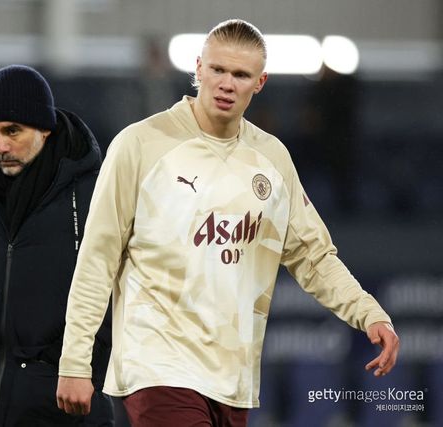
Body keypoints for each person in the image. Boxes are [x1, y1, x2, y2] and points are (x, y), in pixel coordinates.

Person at [56, 19, 400, 427]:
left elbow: (313, 255)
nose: (227, 84)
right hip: (157, 366)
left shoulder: (272, 158)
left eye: (241, 75)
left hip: (232, 379)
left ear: (260, 82)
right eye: (218, 70)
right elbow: (98, 257)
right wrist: (75, 361)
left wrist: (368, 312)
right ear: (199, 68)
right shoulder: (140, 145)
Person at [0, 65, 113, 426]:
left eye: (12, 131)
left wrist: (85, 367)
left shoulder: (96, 195)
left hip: (65, 402)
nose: (1, 145)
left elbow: (116, 291)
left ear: (44, 129)